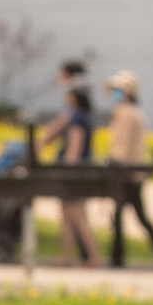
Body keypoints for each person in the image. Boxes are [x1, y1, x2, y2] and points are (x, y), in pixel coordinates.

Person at [104, 70, 153, 268]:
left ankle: (119, 259)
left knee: (124, 216)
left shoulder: (125, 113)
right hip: (133, 173)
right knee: (135, 217)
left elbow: (123, 145)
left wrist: (116, 163)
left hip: (127, 173)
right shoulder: (134, 112)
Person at [40, 84, 100, 266]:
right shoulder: (85, 118)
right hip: (79, 172)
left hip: (73, 174)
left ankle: (93, 257)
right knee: (67, 216)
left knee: (76, 216)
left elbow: (74, 151)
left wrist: (66, 170)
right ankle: (66, 257)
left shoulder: (77, 121)